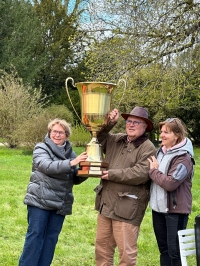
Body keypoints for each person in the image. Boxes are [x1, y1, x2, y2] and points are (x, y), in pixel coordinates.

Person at [19, 118, 88, 266]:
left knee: (51, 239)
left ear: (66, 135)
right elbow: (47, 166)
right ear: (49, 133)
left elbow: (74, 178)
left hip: (60, 203)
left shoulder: (71, 153)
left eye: (61, 132)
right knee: (35, 237)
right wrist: (72, 163)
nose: (57, 135)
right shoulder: (41, 148)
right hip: (39, 201)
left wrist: (87, 171)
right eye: (54, 131)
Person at [94, 106, 156, 266]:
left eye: (137, 122)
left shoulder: (148, 147)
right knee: (102, 250)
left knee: (126, 255)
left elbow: (141, 173)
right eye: (129, 121)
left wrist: (112, 174)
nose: (131, 124)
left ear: (145, 127)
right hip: (106, 204)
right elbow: (97, 138)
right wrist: (109, 124)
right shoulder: (117, 139)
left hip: (127, 208)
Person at [147, 118, 195, 266]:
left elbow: (170, 183)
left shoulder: (184, 158)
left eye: (166, 132)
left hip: (176, 211)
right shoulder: (161, 152)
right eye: (161, 131)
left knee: (175, 252)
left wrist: (153, 171)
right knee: (164, 250)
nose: (161, 135)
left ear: (177, 135)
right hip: (158, 210)